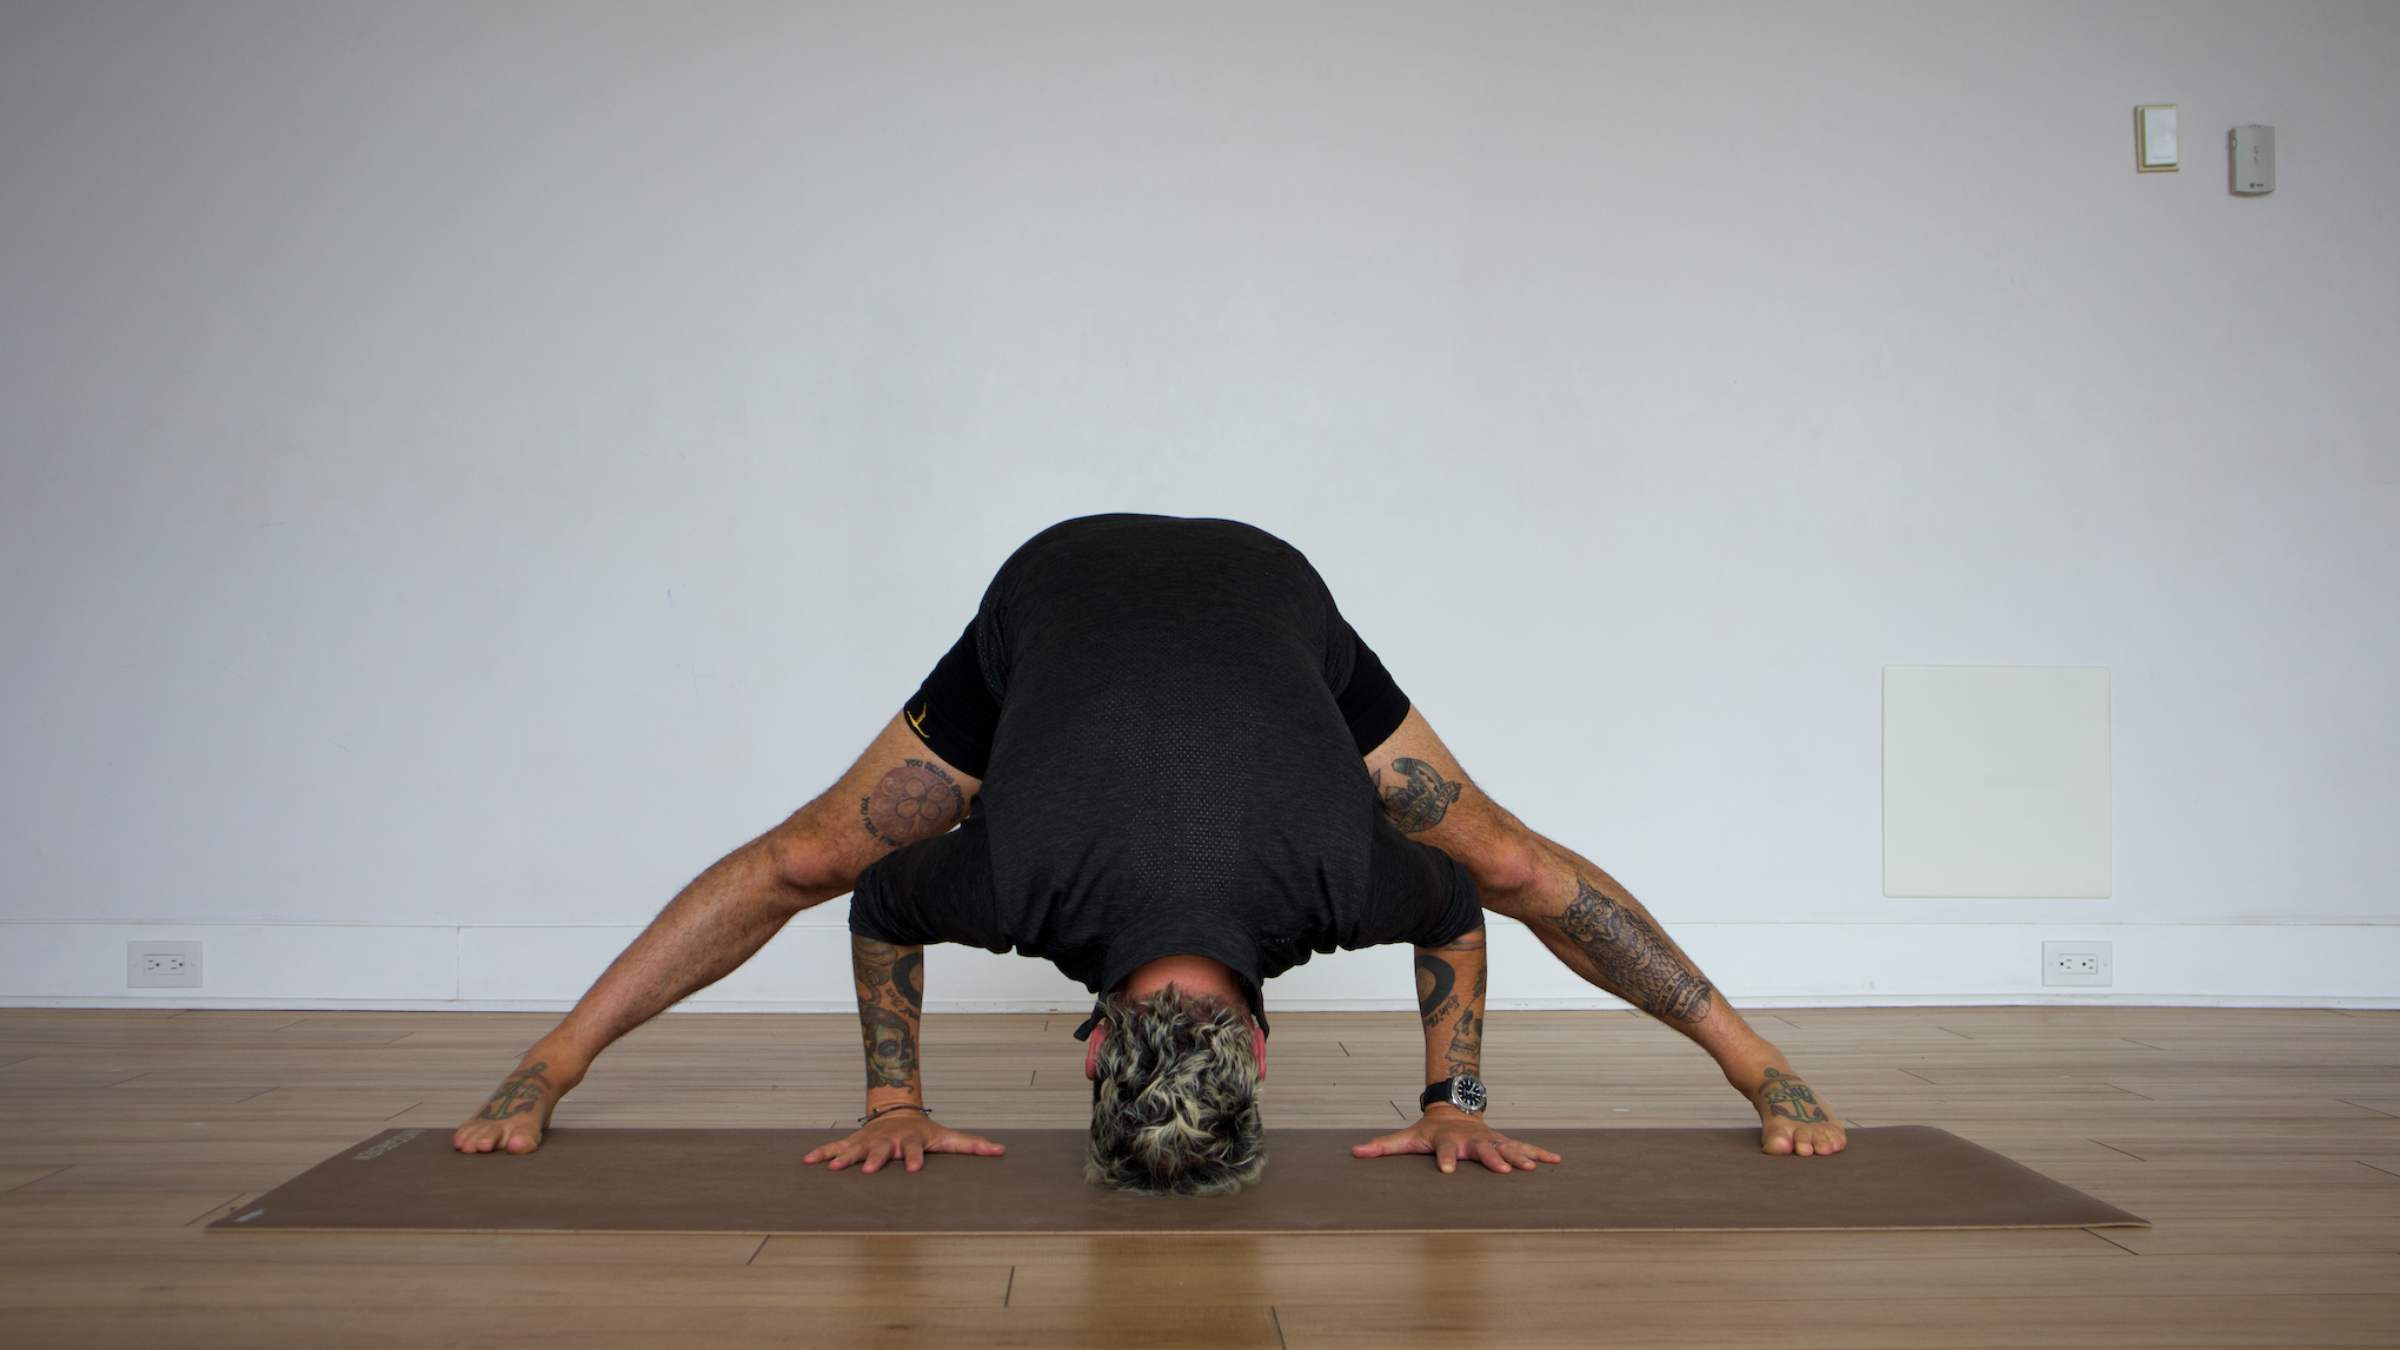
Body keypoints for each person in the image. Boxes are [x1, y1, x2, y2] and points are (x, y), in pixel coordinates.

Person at [452, 515, 1845, 1192]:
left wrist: (1455, 1094)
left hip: (1254, 598)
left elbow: (881, 900)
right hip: (1079, 600)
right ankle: (545, 1065)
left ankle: (546, 1065)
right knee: (1506, 857)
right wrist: (1453, 1095)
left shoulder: (1317, 880)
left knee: (1505, 855)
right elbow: (1471, 908)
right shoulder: (1038, 881)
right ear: (1093, 1053)